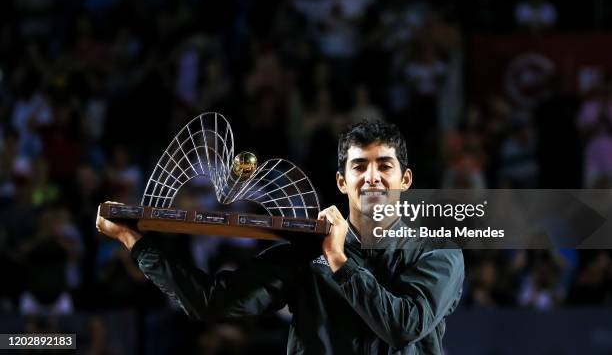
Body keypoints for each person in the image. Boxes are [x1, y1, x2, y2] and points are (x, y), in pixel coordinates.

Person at [96, 120, 464, 354]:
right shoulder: (307, 252)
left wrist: (338, 260)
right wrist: (134, 242)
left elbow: (403, 327)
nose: (372, 177)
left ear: (406, 180)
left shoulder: (436, 252)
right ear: (341, 181)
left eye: (385, 166)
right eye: (359, 167)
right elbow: (212, 302)